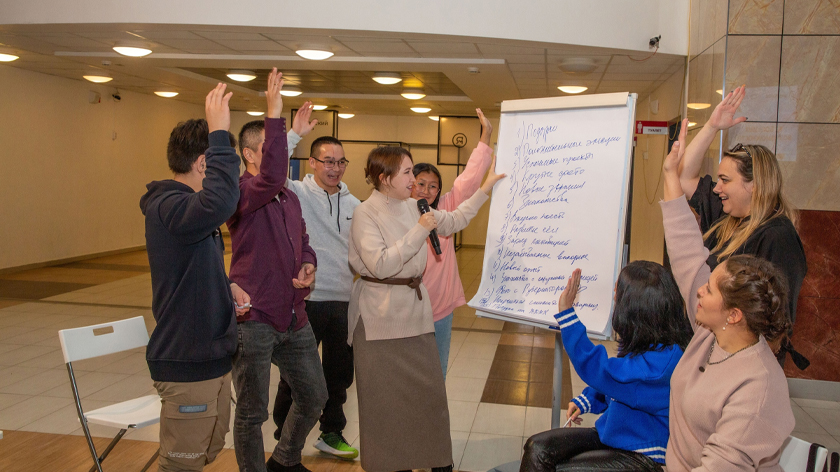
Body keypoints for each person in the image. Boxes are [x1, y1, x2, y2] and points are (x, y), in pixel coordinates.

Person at [348, 146, 503, 472]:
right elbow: (380, 264)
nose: (413, 179)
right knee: (386, 404)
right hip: (379, 320)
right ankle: (394, 464)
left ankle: (437, 462)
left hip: (416, 315)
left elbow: (456, 219)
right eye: (406, 173)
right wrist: (420, 229)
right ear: (384, 178)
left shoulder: (411, 206)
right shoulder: (367, 213)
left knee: (429, 398)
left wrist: (486, 188)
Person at [661, 138, 795, 471]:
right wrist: (669, 174)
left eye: (709, 289)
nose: (698, 292)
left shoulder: (756, 386)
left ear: (734, 313)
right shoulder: (710, 336)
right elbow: (687, 255)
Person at [140, 83, 251, 471]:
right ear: (205, 163)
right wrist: (220, 133)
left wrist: (226, 286)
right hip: (186, 361)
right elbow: (221, 200)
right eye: (225, 164)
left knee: (206, 451)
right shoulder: (169, 205)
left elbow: (191, 270)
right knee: (182, 464)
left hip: (211, 359)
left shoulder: (186, 212)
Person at [227, 69, 327, 472]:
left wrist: (308, 263)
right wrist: (274, 112)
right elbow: (269, 174)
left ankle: (284, 459)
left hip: (293, 315)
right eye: (270, 148)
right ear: (251, 154)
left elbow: (303, 239)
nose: (278, 155)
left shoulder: (287, 195)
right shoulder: (241, 193)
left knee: (315, 396)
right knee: (251, 414)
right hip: (255, 318)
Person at [676, 86, 807, 366]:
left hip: (745, 359)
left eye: (725, 180)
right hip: (711, 346)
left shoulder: (778, 237)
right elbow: (685, 177)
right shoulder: (727, 215)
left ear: (754, 186)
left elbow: (778, 316)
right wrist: (712, 125)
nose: (717, 188)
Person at [520, 262, 693, 472]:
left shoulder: (659, 366)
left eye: (618, 290)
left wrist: (567, 315)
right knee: (537, 448)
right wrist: (589, 399)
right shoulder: (656, 343)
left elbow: (605, 372)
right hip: (616, 435)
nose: (613, 293)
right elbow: (621, 383)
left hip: (643, 454)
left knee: (558, 468)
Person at [272, 129, 362, 460]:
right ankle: (285, 435)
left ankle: (331, 432)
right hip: (304, 301)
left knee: (338, 374)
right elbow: (272, 169)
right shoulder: (295, 193)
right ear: (311, 163)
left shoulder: (355, 204)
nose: (335, 168)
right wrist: (293, 133)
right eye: (328, 161)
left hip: (343, 300)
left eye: (341, 162)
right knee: (293, 375)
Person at [411, 108, 494, 378]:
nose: (425, 190)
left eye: (432, 186)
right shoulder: (398, 214)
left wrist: (486, 136)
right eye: (419, 183)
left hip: (440, 308)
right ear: (408, 184)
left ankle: (433, 420)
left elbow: (468, 181)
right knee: (410, 374)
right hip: (407, 309)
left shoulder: (446, 209)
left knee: (438, 372)